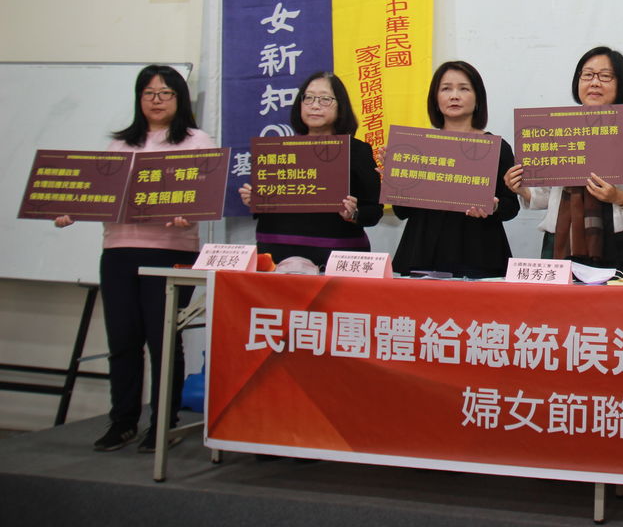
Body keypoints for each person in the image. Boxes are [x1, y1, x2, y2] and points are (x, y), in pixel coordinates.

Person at [54, 65, 215, 452]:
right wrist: (73, 208)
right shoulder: (120, 145)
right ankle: (122, 421)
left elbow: (206, 195)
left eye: (165, 93)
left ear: (179, 99)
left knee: (163, 339)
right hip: (119, 250)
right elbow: (100, 193)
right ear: (139, 99)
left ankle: (164, 422)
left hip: (171, 251)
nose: (156, 101)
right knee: (123, 339)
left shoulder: (196, 141)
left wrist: (189, 212)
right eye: (149, 93)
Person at [503, 46, 623, 277]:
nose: (595, 83)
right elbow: (545, 197)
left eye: (605, 76)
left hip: (621, 239)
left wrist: (618, 197)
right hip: (562, 240)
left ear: (621, 84)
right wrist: (521, 189)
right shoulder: (554, 129)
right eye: (587, 75)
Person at [239, 71, 382, 267]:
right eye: (308, 98)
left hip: (336, 258)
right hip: (277, 256)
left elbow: (373, 211)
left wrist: (354, 213)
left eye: (325, 99)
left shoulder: (357, 151)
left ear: (341, 107)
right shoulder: (278, 151)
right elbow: (269, 209)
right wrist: (255, 199)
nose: (315, 105)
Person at [391, 61, 519, 277]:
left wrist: (494, 206)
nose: (454, 96)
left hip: (478, 254)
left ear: (478, 98)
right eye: (446, 89)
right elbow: (401, 212)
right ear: (435, 98)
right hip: (423, 253)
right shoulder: (417, 146)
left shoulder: (496, 147)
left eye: (464, 89)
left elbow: (511, 207)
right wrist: (395, 182)